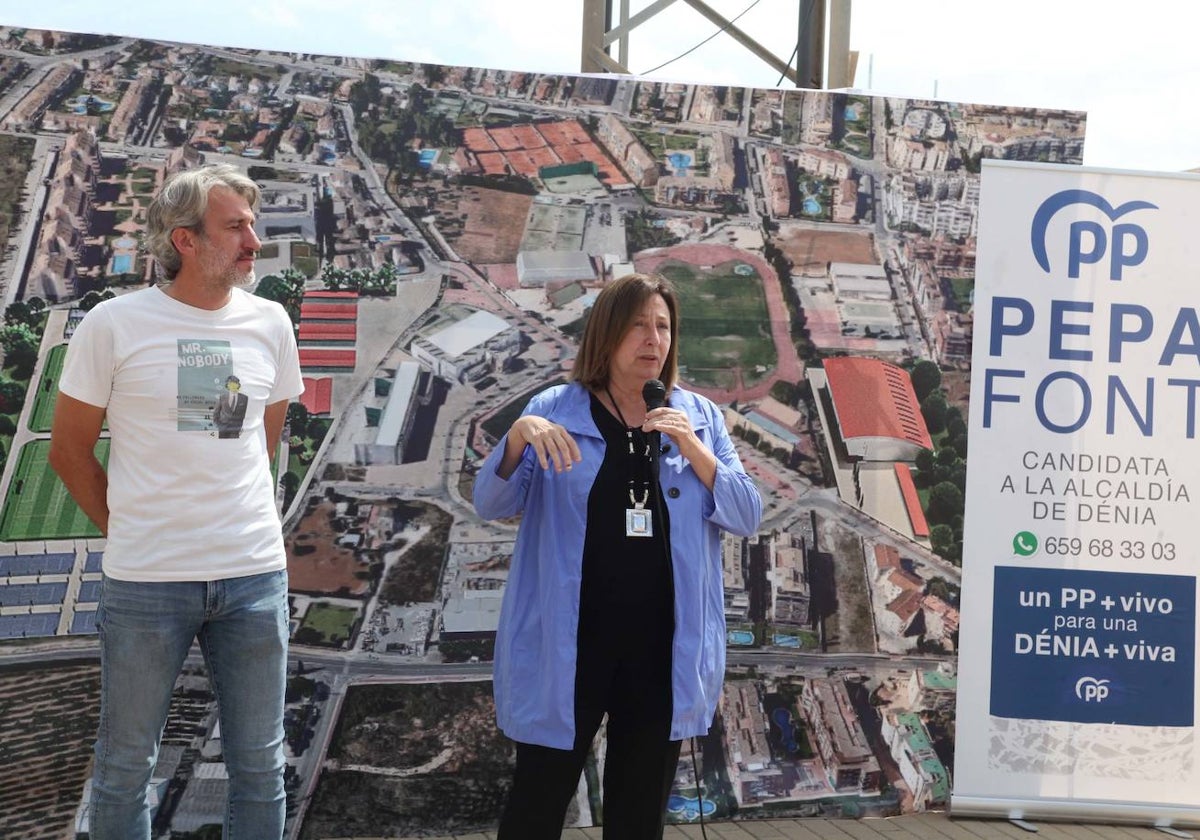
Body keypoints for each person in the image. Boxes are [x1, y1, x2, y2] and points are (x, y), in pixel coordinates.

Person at [49, 163, 303, 840]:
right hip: (147, 583)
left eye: (253, 224)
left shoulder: (270, 322)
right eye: (235, 226)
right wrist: (129, 529)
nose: (253, 240)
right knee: (126, 769)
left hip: (253, 577)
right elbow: (68, 451)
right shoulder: (114, 324)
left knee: (259, 767)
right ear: (184, 240)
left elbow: (257, 441)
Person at [473, 273, 762, 839]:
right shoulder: (554, 408)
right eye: (637, 325)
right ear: (606, 334)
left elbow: (747, 513)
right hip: (571, 646)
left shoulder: (699, 416)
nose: (653, 339)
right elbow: (492, 501)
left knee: (637, 816)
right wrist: (517, 437)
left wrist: (694, 448)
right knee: (537, 804)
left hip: (660, 648)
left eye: (663, 326)